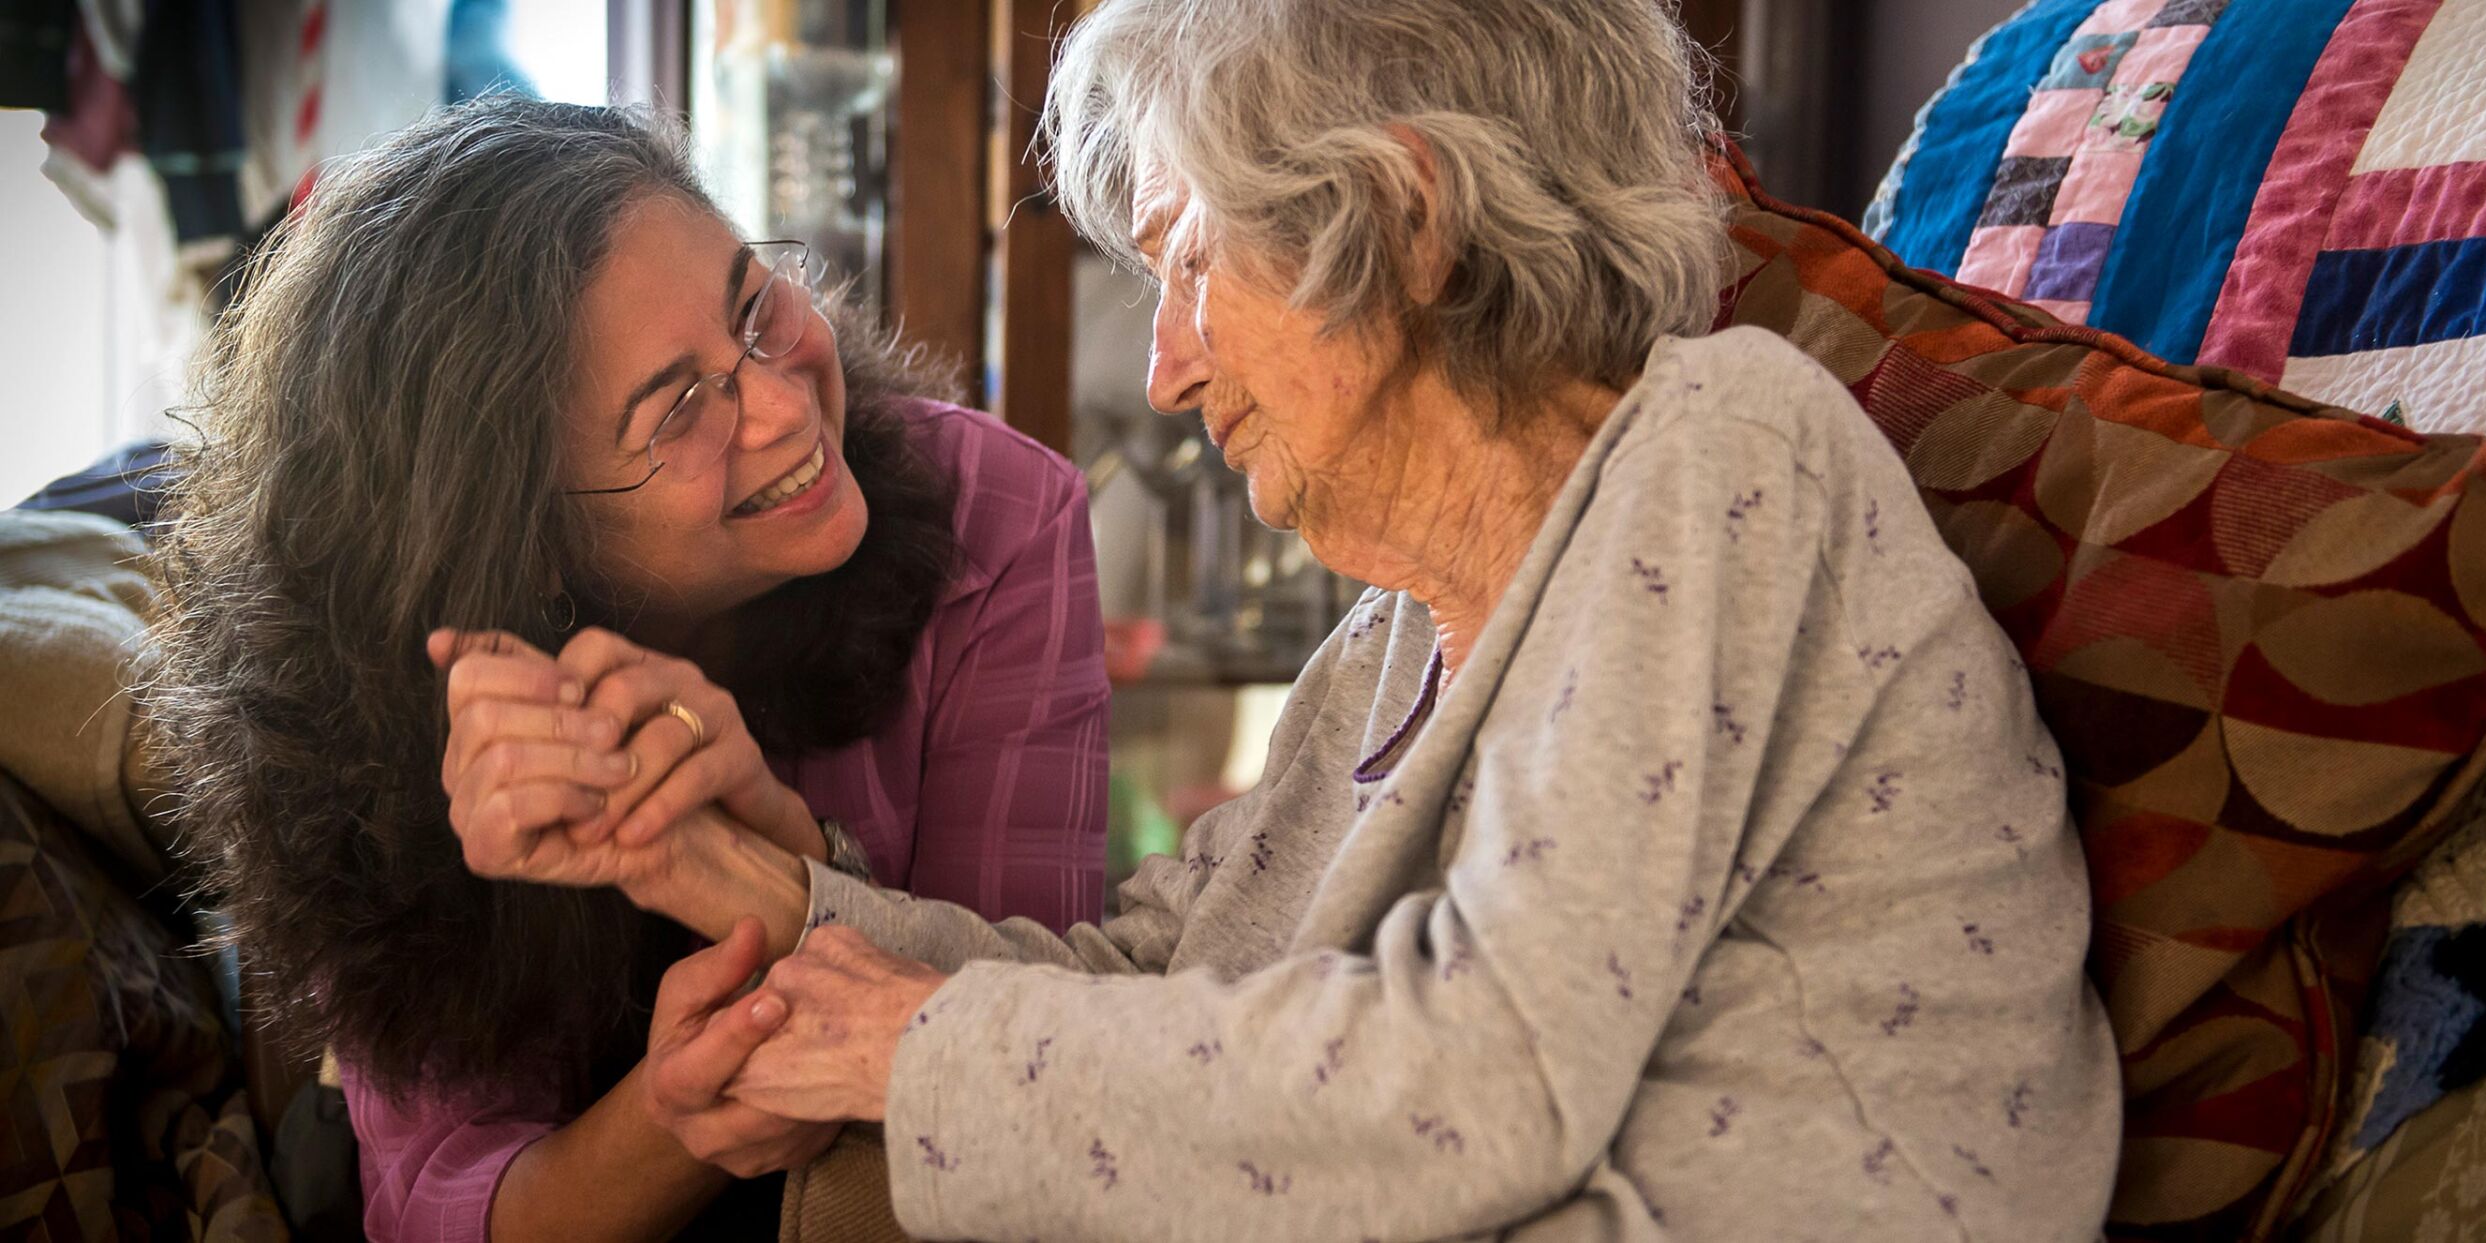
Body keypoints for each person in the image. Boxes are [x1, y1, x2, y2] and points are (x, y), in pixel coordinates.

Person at [471, 0, 2127, 1236]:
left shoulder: (1716, 450)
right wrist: (717, 870)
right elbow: (1151, 975)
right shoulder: (1395, 645)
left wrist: (915, 1050)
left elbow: (1485, 1074)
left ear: (1400, 222)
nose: (1168, 364)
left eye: (1192, 267)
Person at [142, 96, 1110, 1241]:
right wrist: (677, 1118)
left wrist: (776, 852)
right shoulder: (398, 702)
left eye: (753, 307)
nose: (784, 399)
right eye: (679, 409)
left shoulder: (997, 521)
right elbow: (439, 1208)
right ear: (524, 538)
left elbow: (1042, 1063)